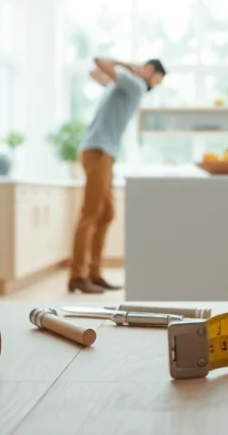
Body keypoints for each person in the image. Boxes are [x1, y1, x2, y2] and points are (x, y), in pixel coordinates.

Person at [68, 57, 167, 294]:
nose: (155, 85)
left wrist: (127, 69)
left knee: (106, 214)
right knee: (91, 213)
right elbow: (97, 64)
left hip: (105, 153)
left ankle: (93, 273)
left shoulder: (129, 85)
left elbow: (99, 73)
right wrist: (130, 65)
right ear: (149, 71)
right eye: (156, 79)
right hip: (98, 151)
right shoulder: (134, 83)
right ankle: (77, 276)